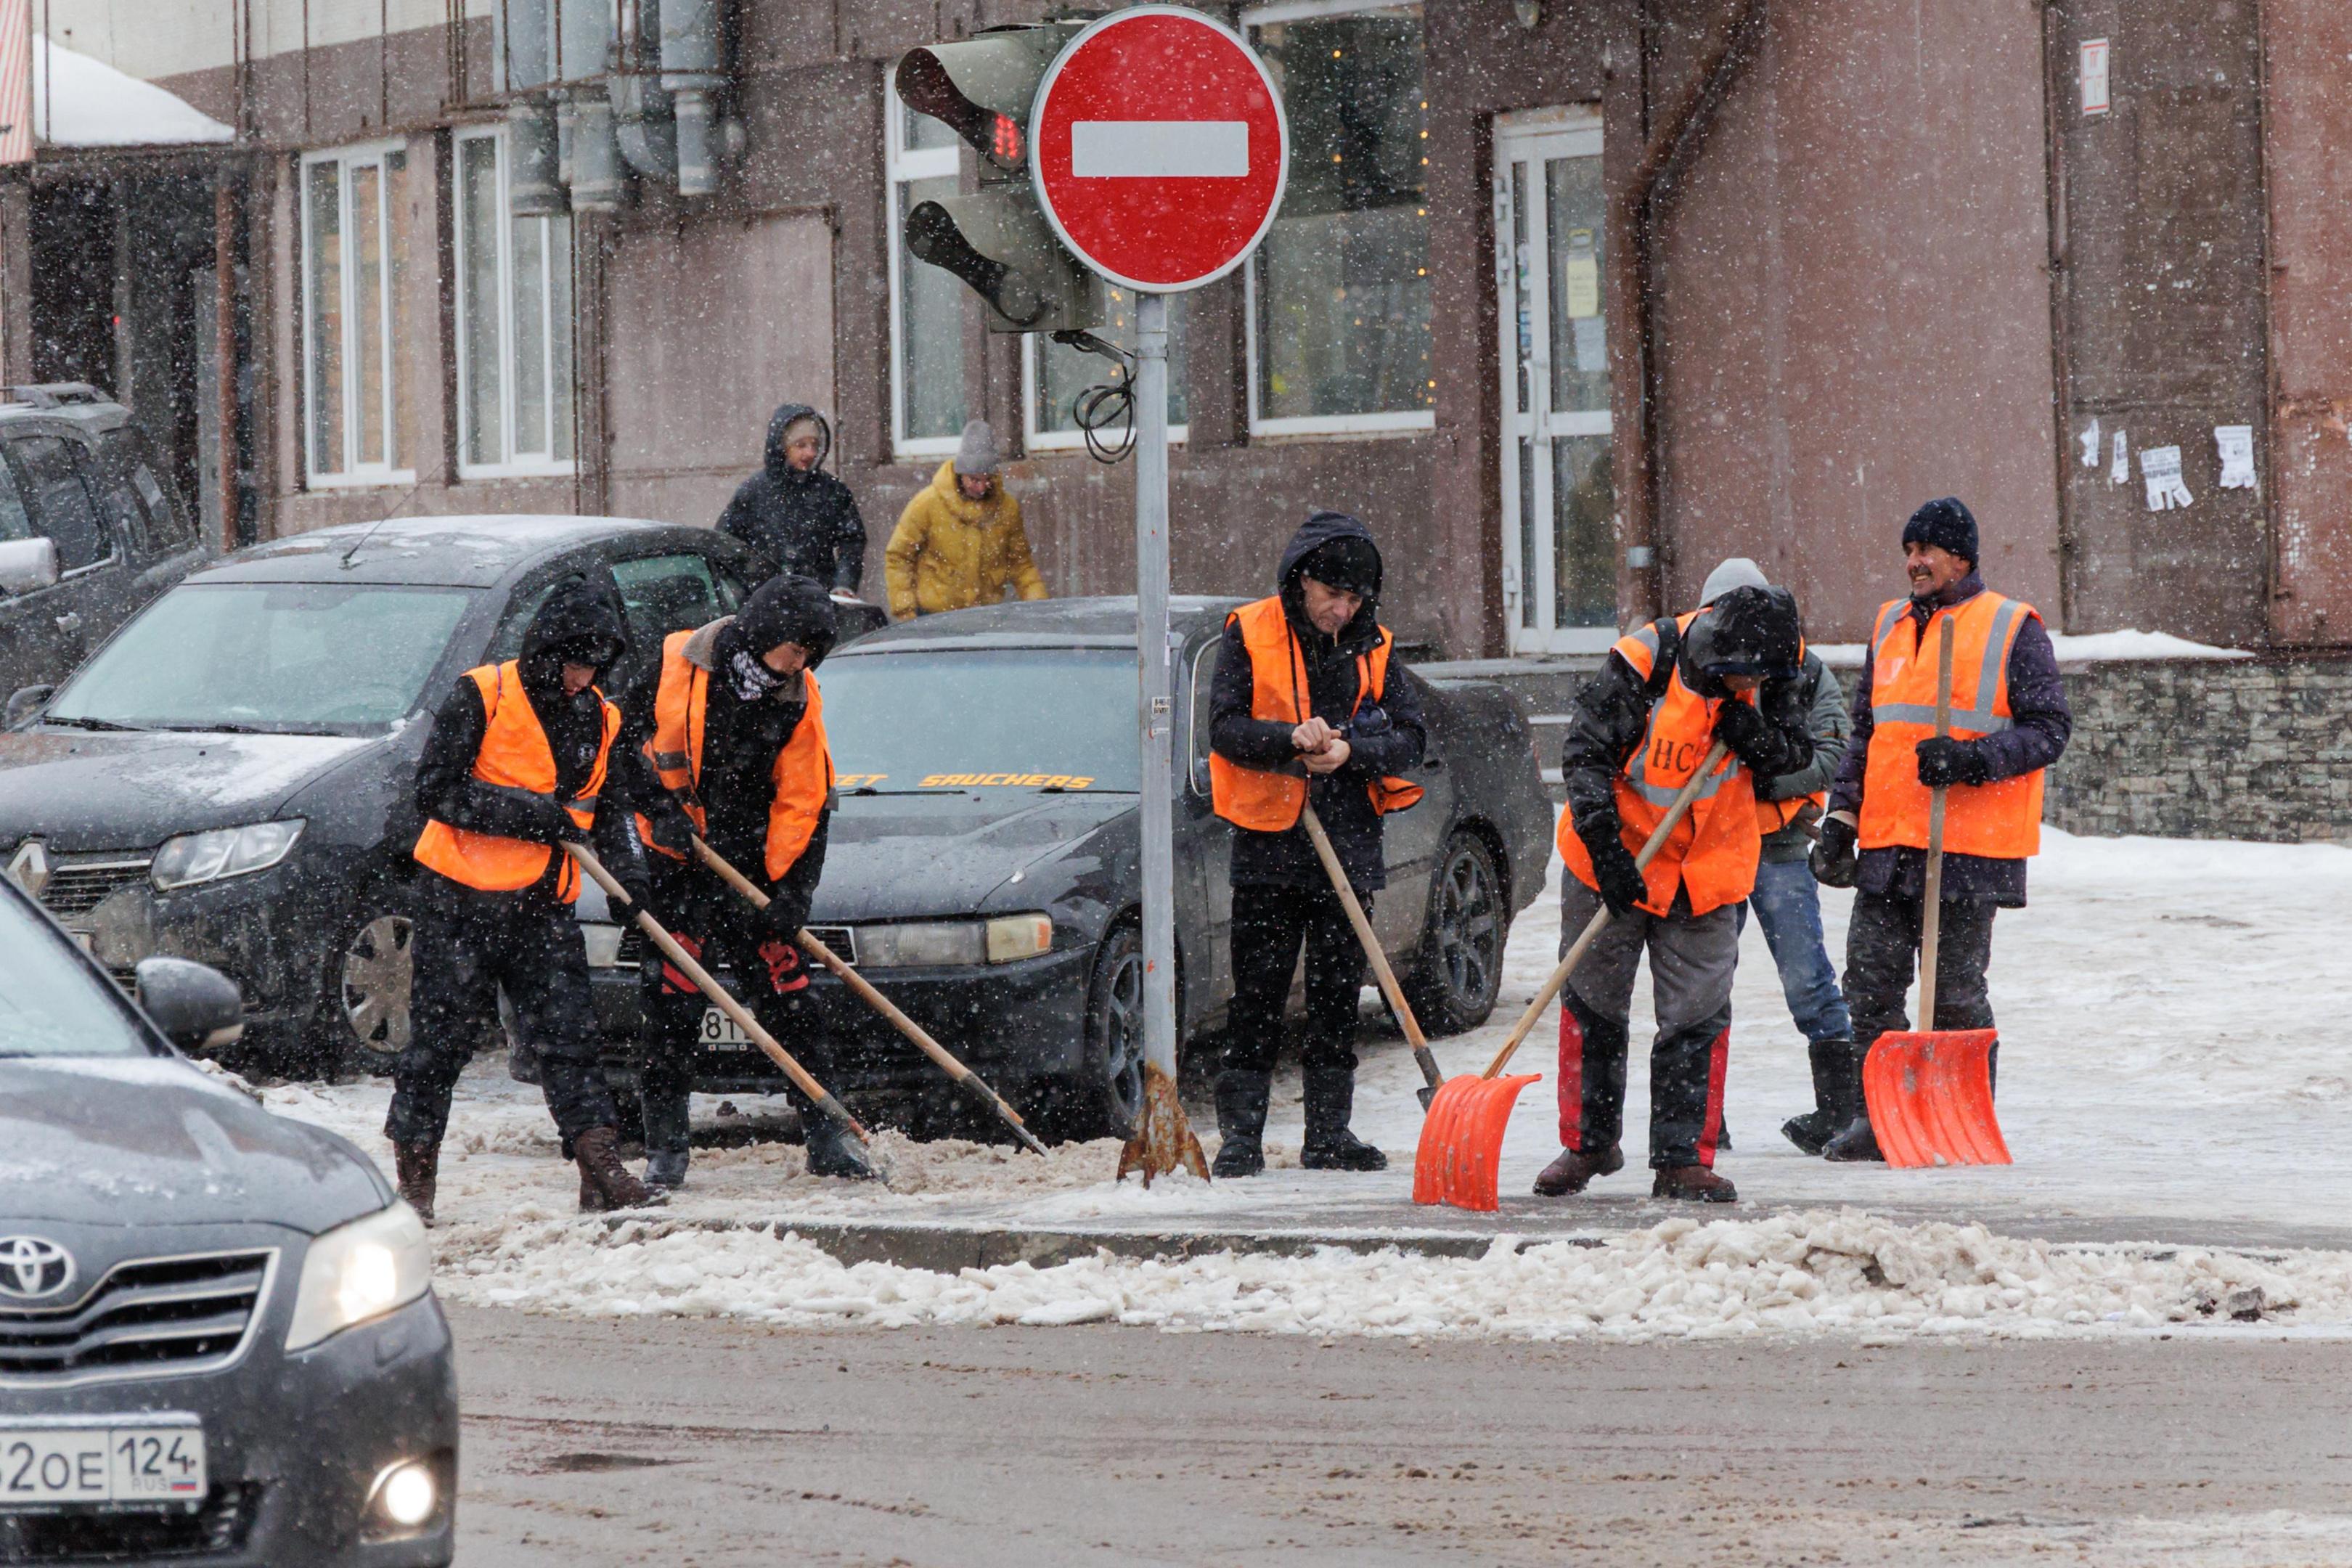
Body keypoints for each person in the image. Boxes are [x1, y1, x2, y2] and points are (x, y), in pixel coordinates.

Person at [389, 572, 664, 1222]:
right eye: (573, 665)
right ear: (547, 651)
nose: (581, 678)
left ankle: (601, 1172)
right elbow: (435, 792)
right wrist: (526, 813)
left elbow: (614, 806)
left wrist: (632, 882)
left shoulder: (601, 714)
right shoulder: (482, 694)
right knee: (440, 1044)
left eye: (595, 667)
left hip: (543, 905)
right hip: (460, 901)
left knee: (571, 1039)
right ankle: (416, 1182)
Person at [1534, 578, 1812, 1203]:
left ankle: (1683, 1159)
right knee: (1592, 1003)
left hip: (1708, 870)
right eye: (1740, 680)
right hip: (1615, 858)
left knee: (1696, 1018)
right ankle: (1588, 1145)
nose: (1751, 689)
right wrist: (1606, 850)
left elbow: (1797, 754)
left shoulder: (1779, 661)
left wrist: (1759, 737)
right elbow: (1585, 756)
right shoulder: (1645, 661)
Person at [1810, 498, 2071, 1161]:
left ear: (1963, 558)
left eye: (1928, 550)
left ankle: (1960, 1115)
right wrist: (1841, 817)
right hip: (1891, 838)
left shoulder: (2013, 627)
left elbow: (2049, 730)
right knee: (1869, 985)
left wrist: (1973, 759)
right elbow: (1869, 733)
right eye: (1909, 549)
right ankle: (1881, 1118)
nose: (1914, 562)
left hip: (1969, 848)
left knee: (1955, 993)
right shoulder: (1890, 624)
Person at [627, 575, 875, 1186]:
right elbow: (616, 753)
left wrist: (795, 895)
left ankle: (829, 1135)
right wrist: (659, 812)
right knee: (670, 1008)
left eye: (810, 656)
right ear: (764, 634)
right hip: (682, 868)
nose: (802, 664)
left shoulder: (797, 695)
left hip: (756, 876)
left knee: (793, 1002)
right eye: (796, 650)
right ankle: (667, 1147)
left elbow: (810, 800)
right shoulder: (673, 665)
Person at [1206, 511, 1427, 1178]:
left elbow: (1411, 739)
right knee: (1259, 997)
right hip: (1271, 846)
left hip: (1347, 844)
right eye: (1332, 595)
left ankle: (1329, 1135)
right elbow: (1223, 728)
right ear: (1301, 582)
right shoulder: (1249, 633)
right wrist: (1288, 743)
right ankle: (1241, 1139)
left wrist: (1352, 752)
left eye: (1355, 599)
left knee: (1337, 999)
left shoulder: (1375, 647)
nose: (1341, 609)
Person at [1696, 560, 1858, 1156]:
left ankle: (1840, 1112)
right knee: (1703, 985)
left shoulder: (1806, 673)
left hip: (1779, 848)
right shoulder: (1695, 669)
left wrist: (1767, 785)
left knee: (1810, 982)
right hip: (1710, 847)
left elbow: (1833, 754)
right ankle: (1701, 1116)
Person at [883, 419, 1048, 619]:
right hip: (934, 618)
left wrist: (1040, 610)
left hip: (986, 617)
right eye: (975, 480)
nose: (981, 487)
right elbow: (899, 556)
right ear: (960, 474)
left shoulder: (1007, 509)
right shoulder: (927, 504)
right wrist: (905, 612)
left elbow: (1022, 565)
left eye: (988, 479)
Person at [717, 403, 868, 593]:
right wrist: (742, 586)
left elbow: (853, 541)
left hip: (818, 598)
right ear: (782, 446)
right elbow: (725, 543)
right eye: (801, 445)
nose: (810, 453)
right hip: (765, 601)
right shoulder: (754, 491)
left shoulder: (832, 491)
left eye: (815, 444)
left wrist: (844, 584)